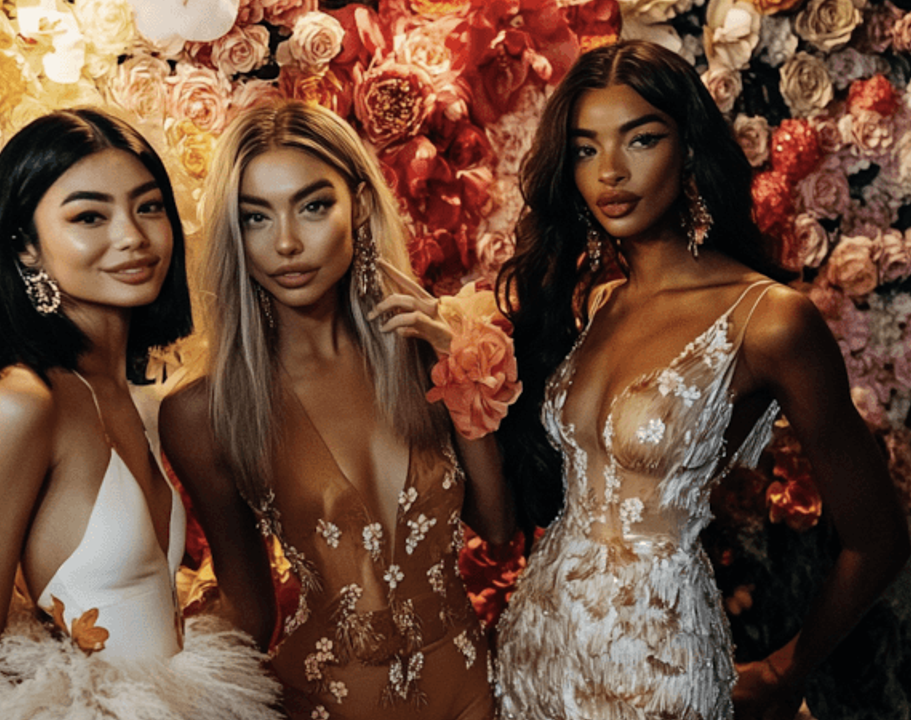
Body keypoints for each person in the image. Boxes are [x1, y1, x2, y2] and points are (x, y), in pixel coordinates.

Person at [493, 40, 910, 720]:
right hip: (537, 647)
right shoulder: (594, 305)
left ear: (688, 149)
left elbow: (879, 537)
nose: (611, 171)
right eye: (586, 148)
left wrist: (786, 668)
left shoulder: (769, 320)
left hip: (658, 667)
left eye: (641, 139)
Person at [0, 109, 281, 720]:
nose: (133, 236)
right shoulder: (18, 403)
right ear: (25, 245)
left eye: (149, 207)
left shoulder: (140, 399)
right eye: (90, 216)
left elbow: (241, 611)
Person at [160, 100, 516, 720]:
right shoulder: (204, 411)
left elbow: (499, 524)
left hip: (468, 695)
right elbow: (251, 611)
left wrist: (457, 364)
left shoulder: (428, 349)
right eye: (255, 217)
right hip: (320, 702)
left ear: (361, 206)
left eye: (313, 206)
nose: (286, 242)